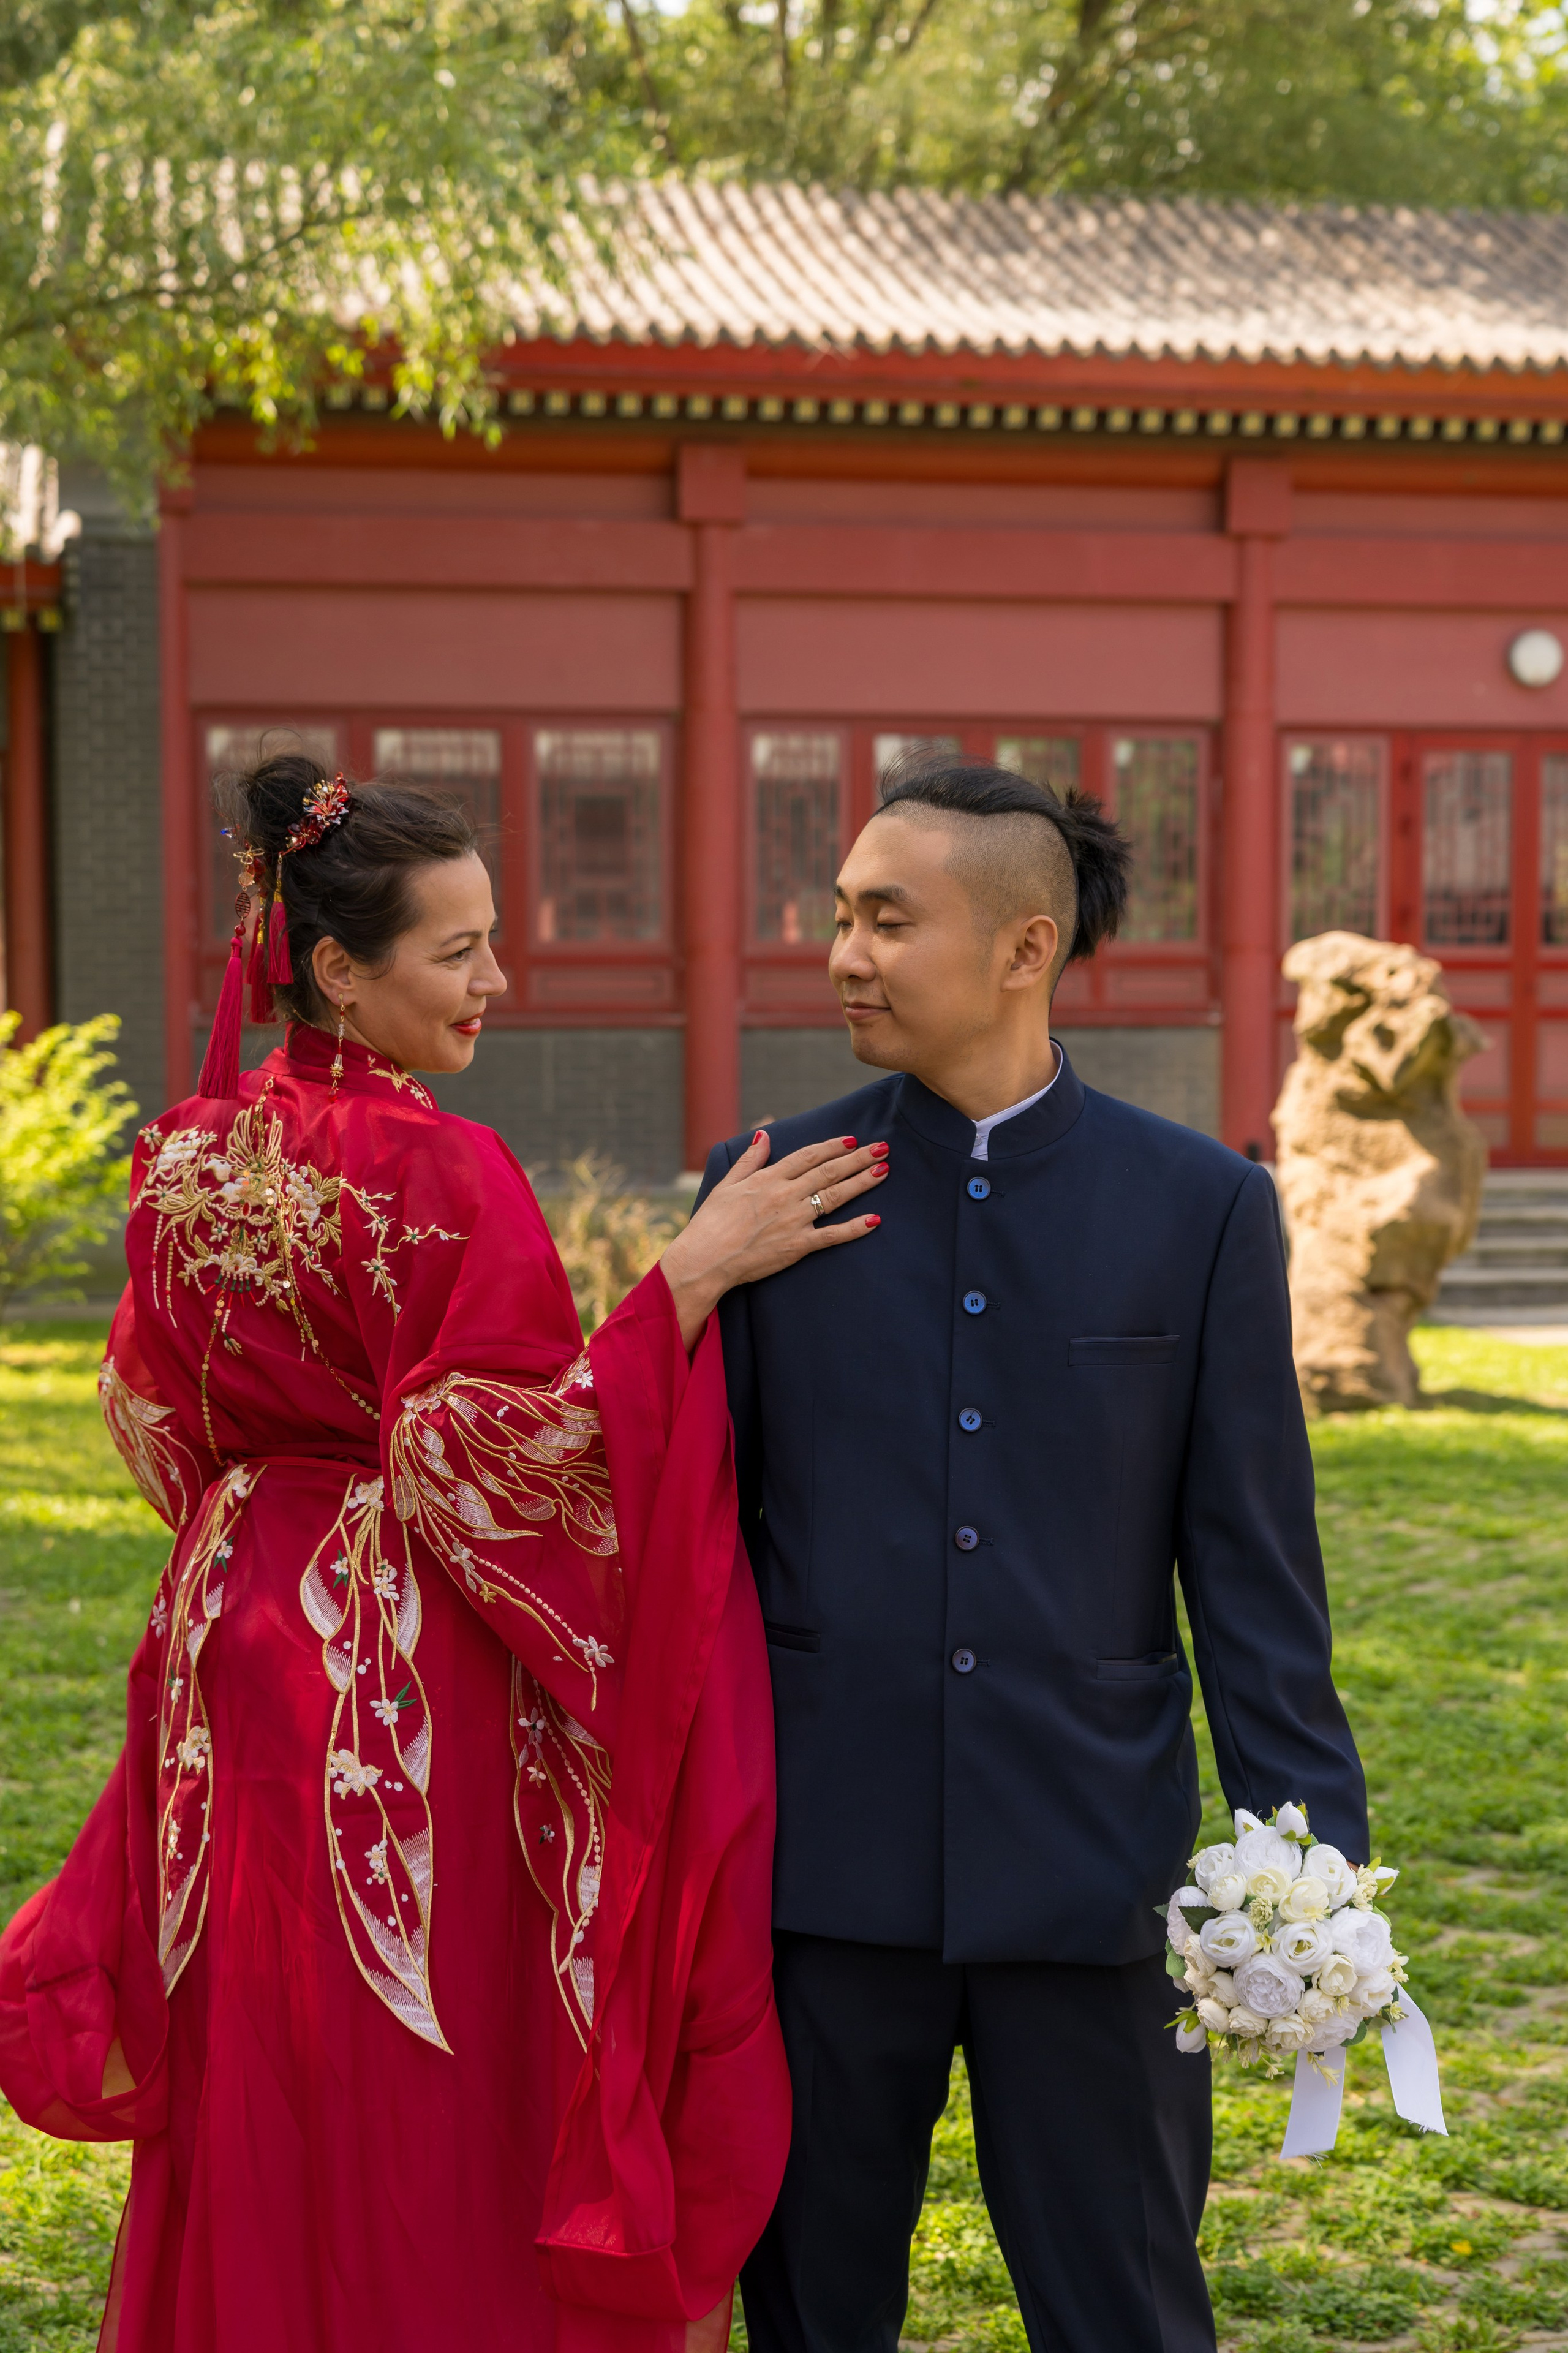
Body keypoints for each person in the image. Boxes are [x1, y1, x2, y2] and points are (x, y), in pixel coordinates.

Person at [0, 755, 884, 2353]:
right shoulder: (441, 1169)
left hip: (229, 1639)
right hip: (388, 1658)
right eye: (457, 950)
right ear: (338, 969)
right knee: (423, 2062)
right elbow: (492, 1453)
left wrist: (266, 1515)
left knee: (266, 2044)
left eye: (494, 939)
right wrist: (687, 1276)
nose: (498, 979)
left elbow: (148, 1415)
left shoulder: (183, 1156)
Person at [696, 753, 1370, 2353]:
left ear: (1023, 946)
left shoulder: (1201, 1206)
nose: (842, 951)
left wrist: (1305, 1868)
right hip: (820, 1878)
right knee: (805, 2313)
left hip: (1094, 1877)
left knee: (1128, 2308)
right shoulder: (769, 1188)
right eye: (841, 915)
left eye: (885, 919)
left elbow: (1254, 1571)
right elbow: (682, 1540)